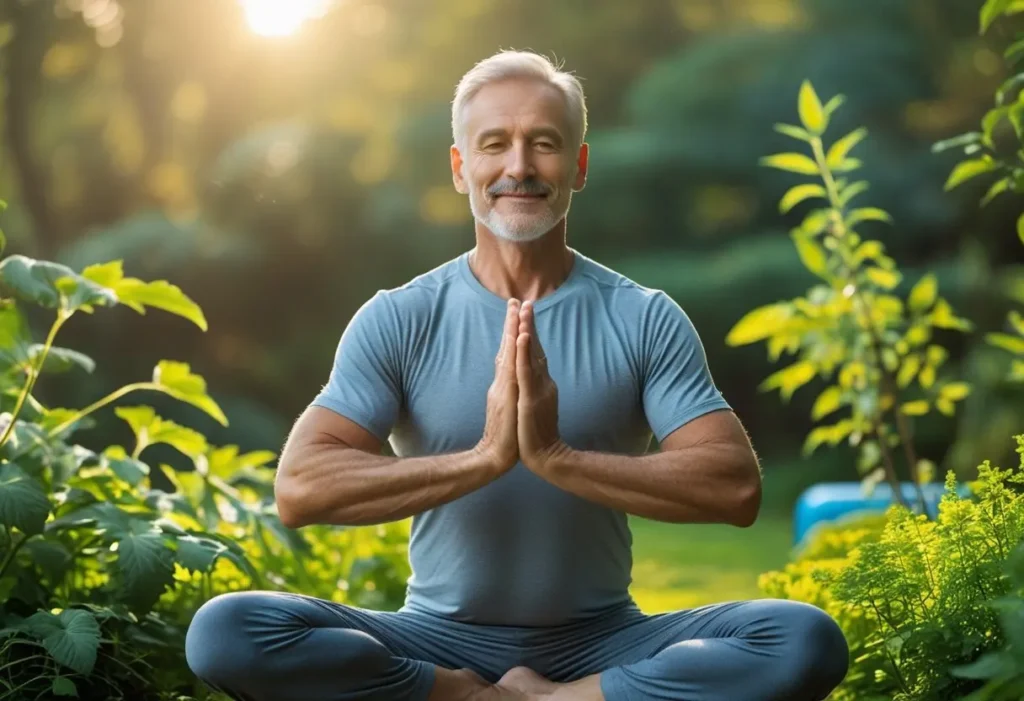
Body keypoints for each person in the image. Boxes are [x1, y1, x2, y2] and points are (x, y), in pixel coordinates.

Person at [185, 49, 850, 701]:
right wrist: (487, 456)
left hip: (605, 637)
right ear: (460, 166)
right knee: (225, 632)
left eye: (545, 143)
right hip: (436, 636)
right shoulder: (400, 317)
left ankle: (565, 696)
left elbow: (733, 486)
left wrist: (556, 457)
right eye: (494, 143)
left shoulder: (642, 316)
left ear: (579, 166)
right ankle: (466, 693)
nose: (519, 166)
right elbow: (302, 487)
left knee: (802, 639)